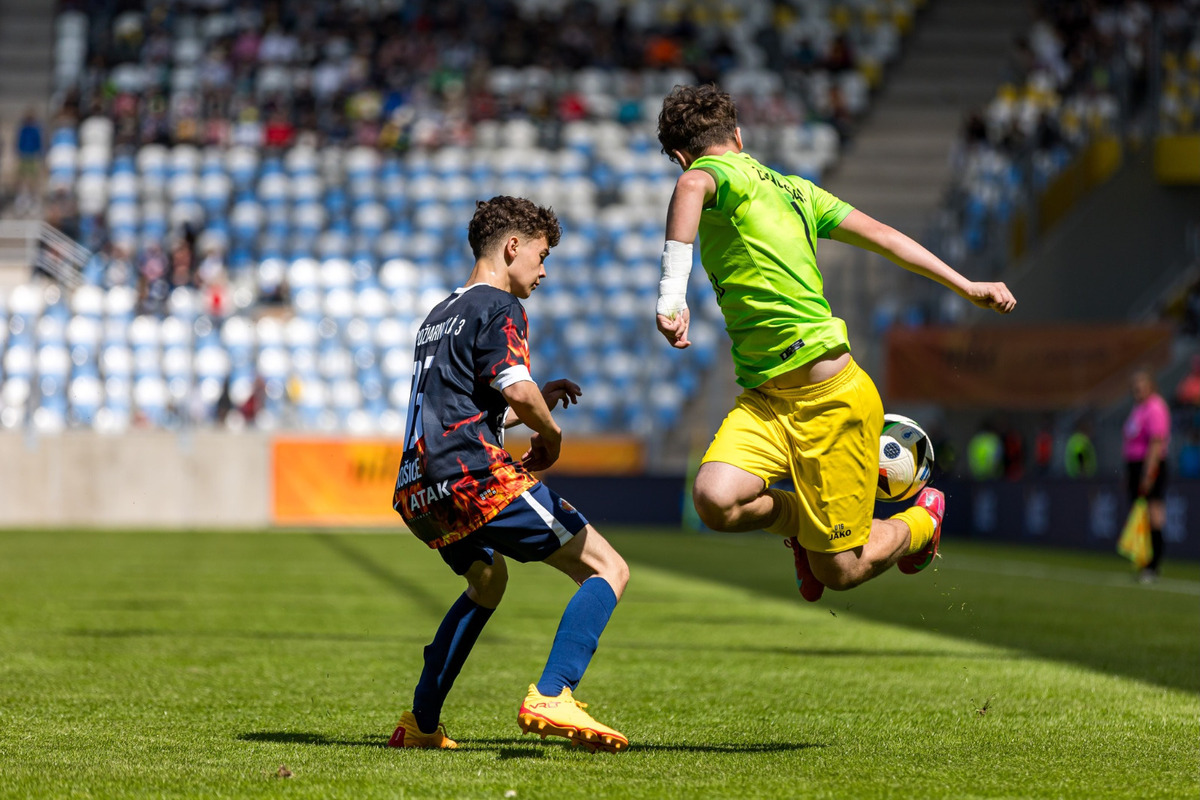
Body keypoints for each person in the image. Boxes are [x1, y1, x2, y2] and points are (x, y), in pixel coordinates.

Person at [653, 85, 1016, 602]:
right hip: (766, 399)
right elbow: (886, 236)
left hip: (832, 401)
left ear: (679, 155)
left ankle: (922, 522)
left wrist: (671, 296)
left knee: (839, 573)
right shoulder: (797, 189)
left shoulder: (704, 177)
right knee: (715, 500)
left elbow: (690, 188)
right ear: (738, 134)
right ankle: (805, 529)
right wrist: (967, 284)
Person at [388, 196, 630, 752]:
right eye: (542, 257)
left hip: (419, 487)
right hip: (473, 476)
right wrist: (550, 434)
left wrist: (526, 404)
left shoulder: (437, 315)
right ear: (512, 247)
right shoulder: (500, 305)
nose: (543, 271)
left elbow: (468, 396)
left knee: (487, 581)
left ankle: (421, 723)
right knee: (607, 567)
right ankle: (553, 692)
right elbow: (515, 388)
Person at [1123, 368, 1171, 582]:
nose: (1137, 389)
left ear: (1151, 385)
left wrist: (1149, 473)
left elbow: (1156, 442)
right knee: (1140, 514)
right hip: (1135, 465)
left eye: (1141, 384)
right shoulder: (1138, 408)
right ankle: (1143, 561)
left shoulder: (1155, 407)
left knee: (1154, 513)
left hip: (1150, 465)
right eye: (1134, 385)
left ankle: (1154, 564)